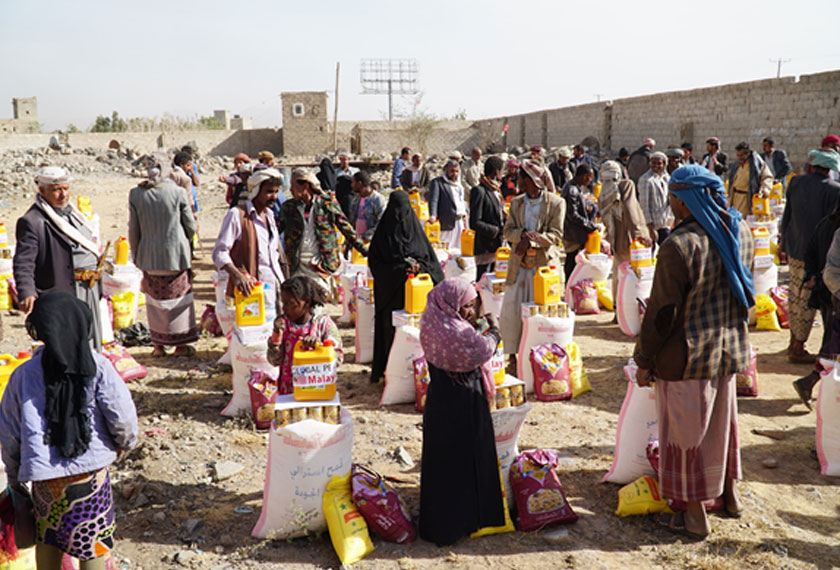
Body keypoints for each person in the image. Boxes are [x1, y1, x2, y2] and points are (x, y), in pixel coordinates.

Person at [635, 164, 754, 540]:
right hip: (729, 351)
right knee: (722, 426)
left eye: (673, 196)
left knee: (687, 436)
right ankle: (731, 497)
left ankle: (695, 515)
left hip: (687, 357)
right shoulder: (740, 231)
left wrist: (643, 359)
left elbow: (662, 314)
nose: (669, 203)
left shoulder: (678, 245)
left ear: (686, 200)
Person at [0, 291, 138, 569]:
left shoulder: (22, 376)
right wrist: (124, 444)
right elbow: (121, 416)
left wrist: (14, 477)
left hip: (45, 483)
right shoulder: (98, 367)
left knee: (48, 543)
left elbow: (10, 434)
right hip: (91, 477)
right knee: (93, 545)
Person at [418, 278, 504, 545]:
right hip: (465, 399)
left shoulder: (431, 321)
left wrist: (475, 323)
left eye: (471, 305)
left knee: (443, 461)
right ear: (451, 303)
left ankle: (440, 521)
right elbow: (482, 350)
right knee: (467, 458)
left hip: (440, 399)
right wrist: (495, 332)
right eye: (466, 306)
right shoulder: (459, 333)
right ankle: (465, 519)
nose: (469, 311)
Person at [14, 166, 105, 350]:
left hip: (89, 289)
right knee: (70, 341)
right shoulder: (33, 221)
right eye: (56, 190)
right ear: (42, 190)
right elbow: (24, 261)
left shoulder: (74, 214)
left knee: (91, 338)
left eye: (66, 189)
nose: (63, 195)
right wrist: (27, 291)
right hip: (65, 289)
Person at [368, 191, 444, 384]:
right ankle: (392, 375)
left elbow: (432, 264)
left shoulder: (416, 232)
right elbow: (375, 264)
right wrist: (399, 269)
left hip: (416, 297)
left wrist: (419, 268)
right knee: (391, 332)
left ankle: (419, 375)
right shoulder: (383, 234)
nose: (400, 215)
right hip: (390, 295)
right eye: (396, 210)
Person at [129, 153, 198, 357]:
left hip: (149, 258)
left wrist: (137, 255)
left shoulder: (136, 194)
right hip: (176, 257)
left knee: (154, 301)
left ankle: (158, 346)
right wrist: (186, 243)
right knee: (178, 300)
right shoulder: (177, 192)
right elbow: (190, 226)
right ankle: (180, 345)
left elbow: (134, 230)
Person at [499, 160, 565, 368]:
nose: (518, 182)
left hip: (543, 266)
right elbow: (508, 231)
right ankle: (513, 358)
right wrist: (522, 237)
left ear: (533, 180)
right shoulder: (517, 203)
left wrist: (533, 240)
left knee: (540, 314)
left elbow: (556, 235)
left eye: (522, 179)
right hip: (519, 265)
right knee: (513, 312)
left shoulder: (555, 203)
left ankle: (540, 359)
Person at [781, 149, 840, 364]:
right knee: (809, 300)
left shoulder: (796, 183)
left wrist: (783, 241)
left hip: (794, 248)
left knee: (795, 296)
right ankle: (798, 348)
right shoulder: (834, 190)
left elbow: (787, 215)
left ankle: (794, 342)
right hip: (817, 253)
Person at [276, 168, 366, 293]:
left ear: (305, 186)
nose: (290, 190)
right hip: (297, 264)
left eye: (293, 186)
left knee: (317, 301)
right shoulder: (288, 208)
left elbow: (345, 227)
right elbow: (275, 231)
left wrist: (365, 251)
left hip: (320, 264)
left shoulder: (326, 203)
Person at [213, 168, 286, 311]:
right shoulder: (237, 215)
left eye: (276, 192)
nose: (274, 197)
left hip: (275, 289)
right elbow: (219, 252)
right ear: (256, 191)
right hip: (251, 292)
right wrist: (238, 276)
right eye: (269, 192)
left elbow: (277, 254)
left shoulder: (270, 215)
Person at [796, 181, 840, 408]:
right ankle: (813, 383)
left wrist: (812, 276)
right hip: (833, 295)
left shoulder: (824, 225)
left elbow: (809, 253)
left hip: (825, 293)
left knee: (831, 343)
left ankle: (810, 382)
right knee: (832, 345)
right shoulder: (835, 231)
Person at [266, 275, 343, 394]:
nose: (284, 308)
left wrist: (319, 347)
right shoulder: (283, 325)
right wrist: (276, 335)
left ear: (306, 302)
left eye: (290, 304)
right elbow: (273, 361)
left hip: (317, 389)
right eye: (283, 303)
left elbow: (337, 359)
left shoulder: (323, 324)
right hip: (288, 391)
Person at [598, 160, 650, 296]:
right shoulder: (626, 185)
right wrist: (638, 234)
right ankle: (629, 309)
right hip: (631, 240)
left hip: (616, 242)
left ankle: (618, 310)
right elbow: (630, 209)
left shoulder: (603, 193)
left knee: (619, 275)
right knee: (633, 276)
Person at [469, 156, 505, 280]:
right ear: (496, 171)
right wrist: (496, 230)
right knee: (483, 282)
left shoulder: (496, 190)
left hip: (498, 246)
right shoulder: (479, 191)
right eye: (502, 170)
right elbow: (474, 222)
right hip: (485, 246)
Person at [561, 164, 598, 280]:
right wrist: (590, 225)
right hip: (573, 233)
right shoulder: (572, 189)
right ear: (584, 176)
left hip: (574, 231)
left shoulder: (575, 187)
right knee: (572, 261)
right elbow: (572, 214)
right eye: (590, 177)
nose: (590, 180)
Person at [428, 160, 467, 250]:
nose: (454, 174)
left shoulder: (458, 185)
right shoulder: (438, 183)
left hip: (459, 223)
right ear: (446, 170)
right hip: (446, 223)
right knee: (444, 250)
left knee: (458, 250)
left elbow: (460, 200)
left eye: (457, 171)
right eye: (452, 171)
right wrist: (433, 215)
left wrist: (464, 213)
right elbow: (434, 200)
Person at [728, 142, 773, 219]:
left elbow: (767, 177)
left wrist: (765, 189)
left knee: (745, 221)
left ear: (748, 154)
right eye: (738, 155)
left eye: (741, 155)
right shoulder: (736, 164)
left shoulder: (757, 164)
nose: (739, 158)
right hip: (735, 198)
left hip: (747, 199)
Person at [638, 151, 673, 245]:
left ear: (664, 164)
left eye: (659, 163)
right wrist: (650, 227)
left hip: (665, 224)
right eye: (653, 163)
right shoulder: (646, 180)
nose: (656, 166)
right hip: (654, 226)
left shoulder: (666, 179)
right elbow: (644, 205)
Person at [349, 170, 387, 242]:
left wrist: (366, 237)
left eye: (353, 182)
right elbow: (352, 221)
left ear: (359, 184)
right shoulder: (356, 200)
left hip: (372, 242)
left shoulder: (377, 199)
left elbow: (382, 222)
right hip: (357, 242)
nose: (351, 185)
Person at [334, 151, 358, 219]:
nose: (344, 161)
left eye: (346, 159)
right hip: (341, 196)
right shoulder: (336, 172)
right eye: (342, 160)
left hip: (352, 195)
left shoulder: (355, 171)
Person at [180, 145, 200, 214]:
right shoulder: (177, 168)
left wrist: (192, 172)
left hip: (191, 198)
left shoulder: (193, 166)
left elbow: (196, 183)